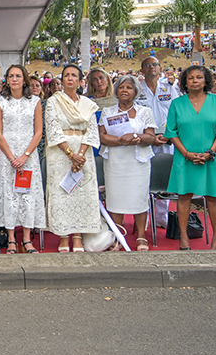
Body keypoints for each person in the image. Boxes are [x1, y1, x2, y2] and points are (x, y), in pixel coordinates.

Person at [165, 66, 216, 250]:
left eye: (199, 77)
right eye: (190, 78)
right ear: (184, 82)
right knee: (184, 196)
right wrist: (186, 153)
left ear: (206, 81)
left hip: (210, 158)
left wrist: (210, 152)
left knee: (212, 197)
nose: (195, 80)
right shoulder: (177, 104)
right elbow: (171, 132)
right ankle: (184, 238)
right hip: (184, 158)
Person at [44, 64, 103, 252]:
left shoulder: (88, 104)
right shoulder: (54, 101)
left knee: (80, 193)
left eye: (74, 75)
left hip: (83, 154)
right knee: (63, 192)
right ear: (61, 80)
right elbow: (52, 129)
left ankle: (77, 236)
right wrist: (70, 154)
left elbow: (92, 130)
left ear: (80, 80)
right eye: (66, 75)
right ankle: (63, 235)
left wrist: (79, 155)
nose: (70, 78)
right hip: (60, 153)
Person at [0, 64, 46, 253]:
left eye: (18, 76)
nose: (14, 79)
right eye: (11, 76)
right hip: (7, 157)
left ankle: (27, 238)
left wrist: (25, 156)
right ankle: (11, 238)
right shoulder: (0, 102)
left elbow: (38, 132)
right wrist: (12, 157)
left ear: (24, 79)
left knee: (27, 195)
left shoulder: (35, 101)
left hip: (28, 156)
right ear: (7, 79)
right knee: (9, 195)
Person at [98, 76, 156, 252]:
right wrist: (122, 141)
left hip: (137, 163)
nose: (124, 90)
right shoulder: (108, 111)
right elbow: (102, 136)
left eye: (129, 87)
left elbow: (151, 137)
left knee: (139, 198)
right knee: (115, 198)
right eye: (121, 87)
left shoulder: (144, 111)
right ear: (116, 91)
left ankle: (141, 236)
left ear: (135, 92)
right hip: (115, 162)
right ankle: (117, 236)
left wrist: (136, 138)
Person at [136, 56, 179, 228]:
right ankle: (144, 216)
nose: (151, 67)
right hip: (146, 139)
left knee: (164, 178)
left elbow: (176, 112)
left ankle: (162, 216)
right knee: (144, 177)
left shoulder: (169, 87)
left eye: (155, 64)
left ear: (160, 68)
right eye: (147, 65)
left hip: (167, 138)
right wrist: (150, 138)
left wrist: (168, 135)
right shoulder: (137, 89)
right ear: (142, 70)